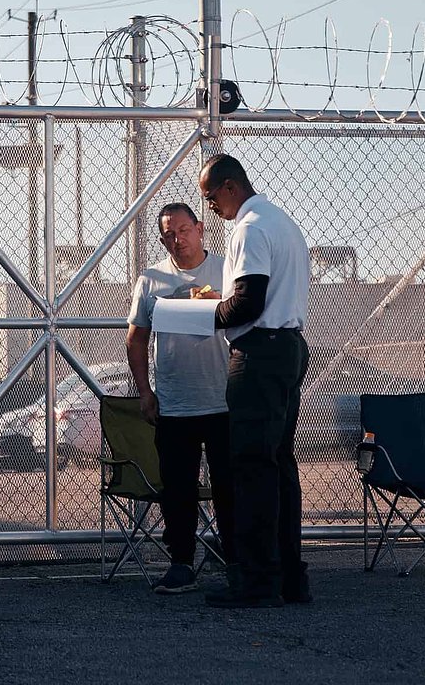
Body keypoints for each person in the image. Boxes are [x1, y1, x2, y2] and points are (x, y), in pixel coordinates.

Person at [197, 153, 313, 608]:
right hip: (288, 346)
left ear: (230, 187)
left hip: (259, 354)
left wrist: (205, 313)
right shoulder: (282, 222)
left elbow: (248, 302)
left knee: (251, 467)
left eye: (211, 197)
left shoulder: (248, 228)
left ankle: (257, 581)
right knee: (278, 463)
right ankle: (290, 578)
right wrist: (224, 299)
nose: (210, 207)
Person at [125, 201, 235, 595]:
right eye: (169, 234)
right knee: (178, 488)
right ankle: (181, 563)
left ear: (200, 228)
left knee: (229, 486)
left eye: (184, 230)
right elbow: (136, 339)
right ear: (162, 240)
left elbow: (249, 321)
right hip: (174, 403)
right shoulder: (150, 280)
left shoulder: (226, 270)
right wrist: (145, 392)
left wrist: (219, 304)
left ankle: (236, 561)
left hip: (223, 399)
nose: (178, 239)